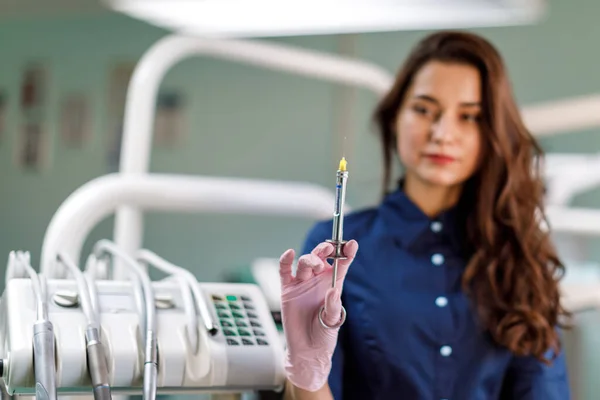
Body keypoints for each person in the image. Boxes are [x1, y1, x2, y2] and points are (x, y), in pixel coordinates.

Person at [277, 30, 571, 400]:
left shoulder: (521, 257)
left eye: (469, 117)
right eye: (424, 109)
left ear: (492, 132)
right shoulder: (334, 251)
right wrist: (306, 369)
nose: (442, 133)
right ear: (394, 117)